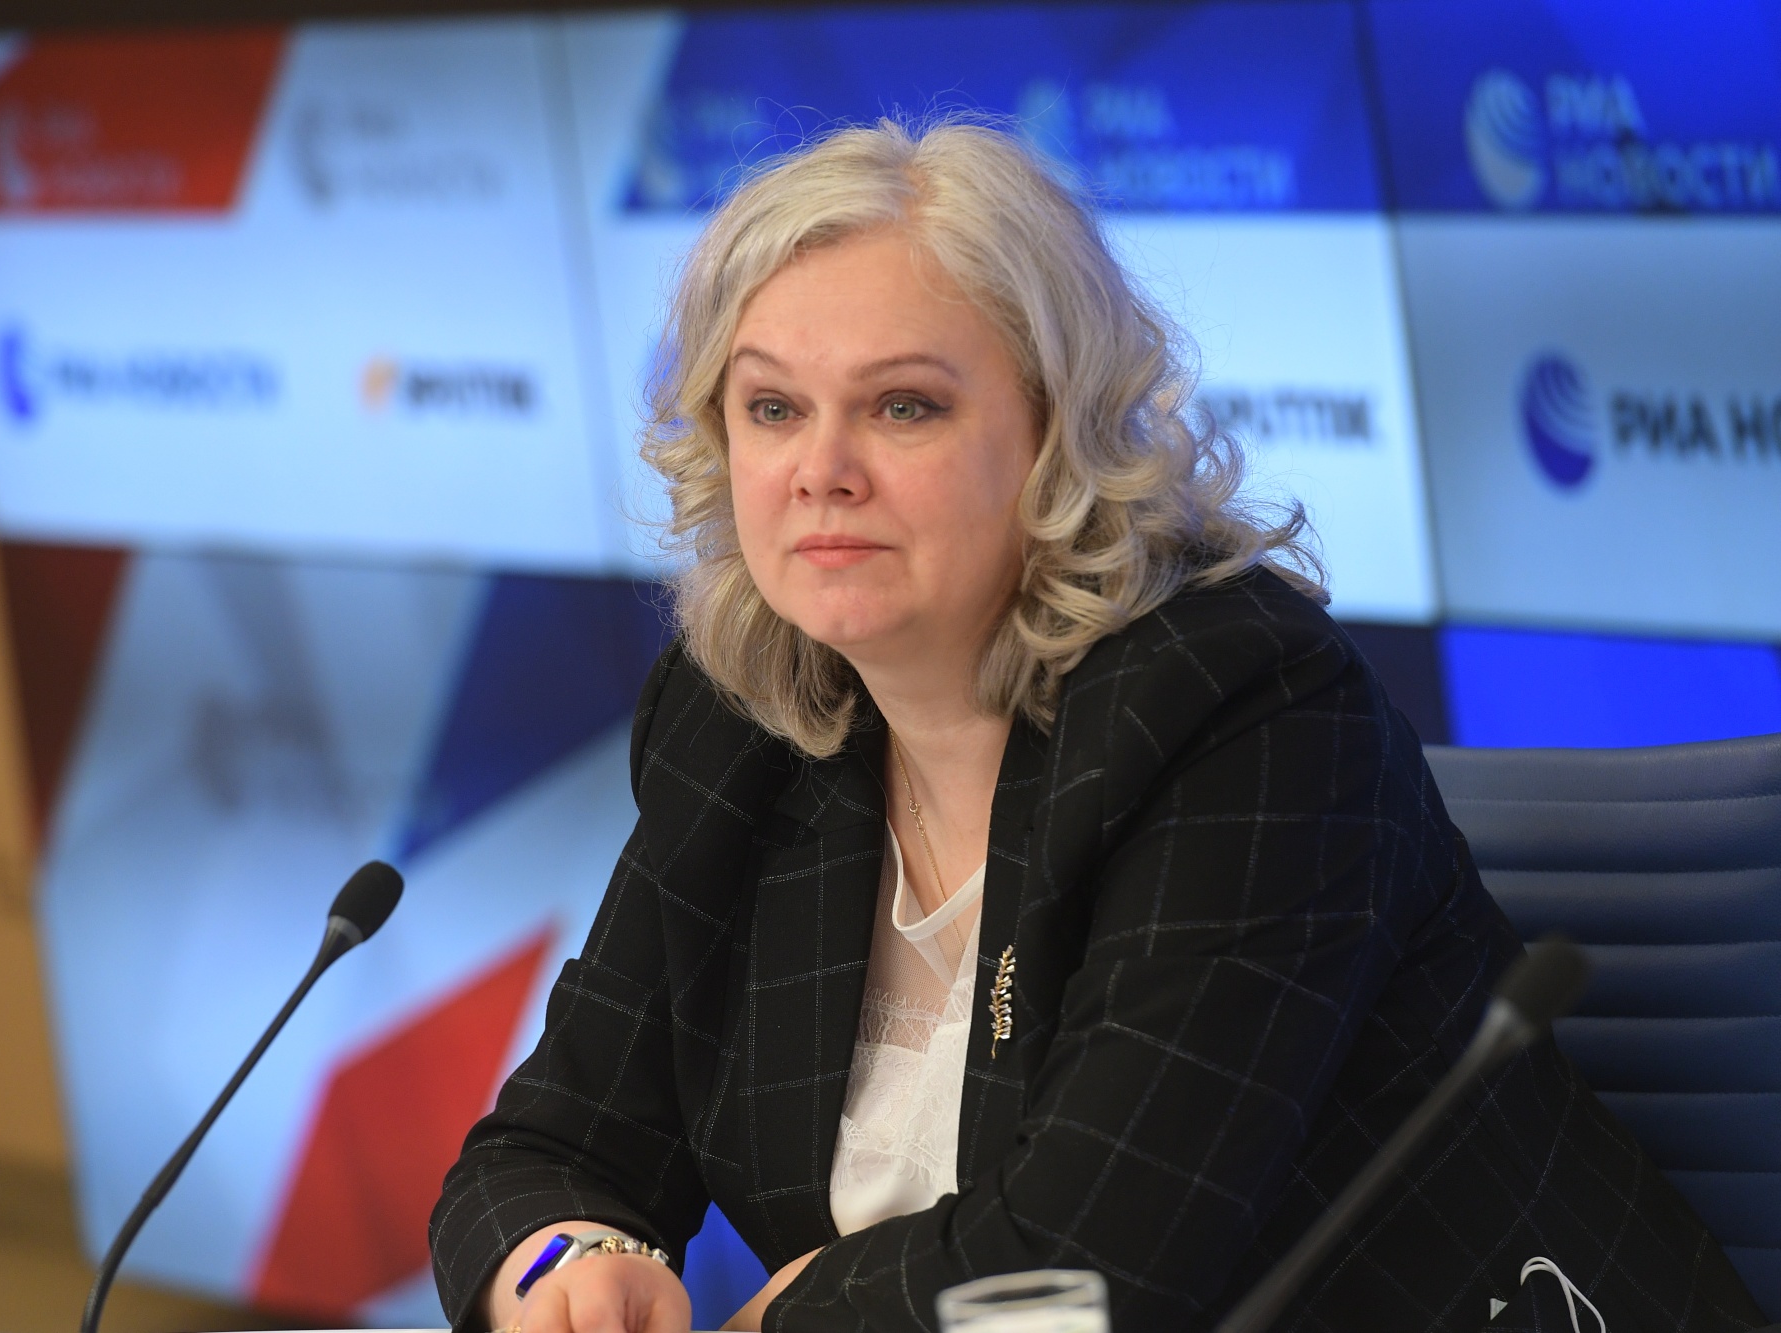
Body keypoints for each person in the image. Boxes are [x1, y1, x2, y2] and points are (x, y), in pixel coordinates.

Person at [429, 119, 1762, 1333]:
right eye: (773, 407)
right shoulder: (745, 723)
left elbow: (1097, 1272)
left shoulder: (1240, 710)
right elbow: (545, 1148)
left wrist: (787, 1316)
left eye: (904, 406)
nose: (821, 469)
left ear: (1054, 434)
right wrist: (565, 1263)